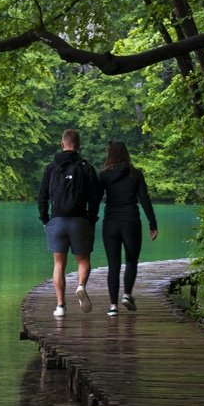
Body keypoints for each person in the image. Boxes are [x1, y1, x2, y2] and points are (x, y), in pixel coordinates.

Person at [37, 129, 102, 317]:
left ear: (62, 144)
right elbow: (95, 197)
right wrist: (91, 218)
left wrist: (45, 219)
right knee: (83, 260)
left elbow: (42, 196)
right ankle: (81, 285)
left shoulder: (51, 167)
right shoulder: (86, 167)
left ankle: (61, 306)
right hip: (80, 220)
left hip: (56, 221)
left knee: (59, 264)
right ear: (78, 145)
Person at [98, 140, 158, 317]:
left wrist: (90, 218)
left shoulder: (104, 176)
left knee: (113, 266)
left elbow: (95, 198)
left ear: (109, 154)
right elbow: (145, 200)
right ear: (126, 153)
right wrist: (152, 224)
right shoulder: (136, 174)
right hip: (131, 221)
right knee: (131, 261)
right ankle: (127, 294)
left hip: (110, 222)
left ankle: (113, 307)